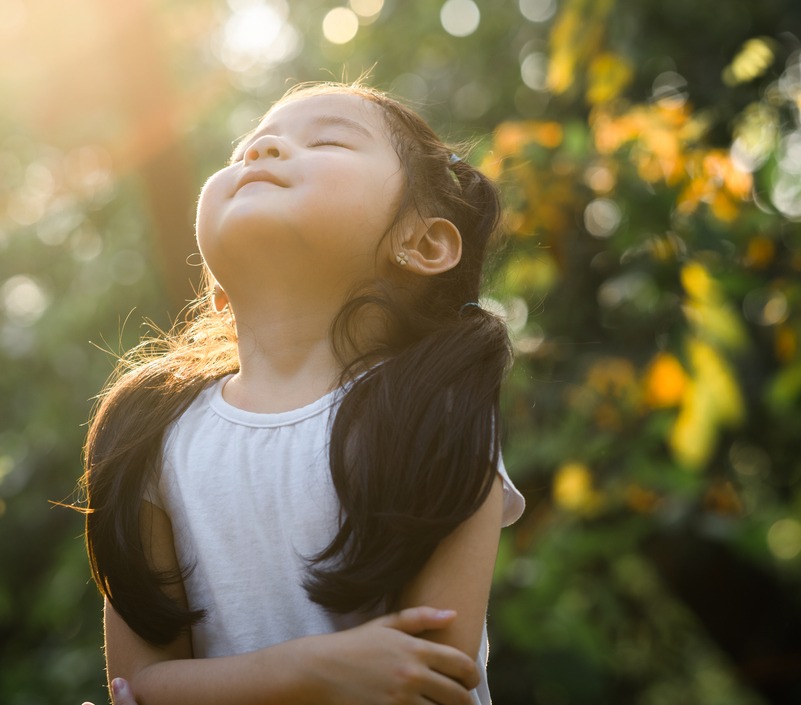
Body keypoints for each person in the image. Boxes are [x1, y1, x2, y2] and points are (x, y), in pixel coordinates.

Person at [80, 80, 525, 705]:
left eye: (328, 142)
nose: (261, 152)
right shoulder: (147, 435)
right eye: (247, 150)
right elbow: (138, 686)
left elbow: (430, 678)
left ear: (422, 243)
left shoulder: (437, 415)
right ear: (216, 287)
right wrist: (312, 671)